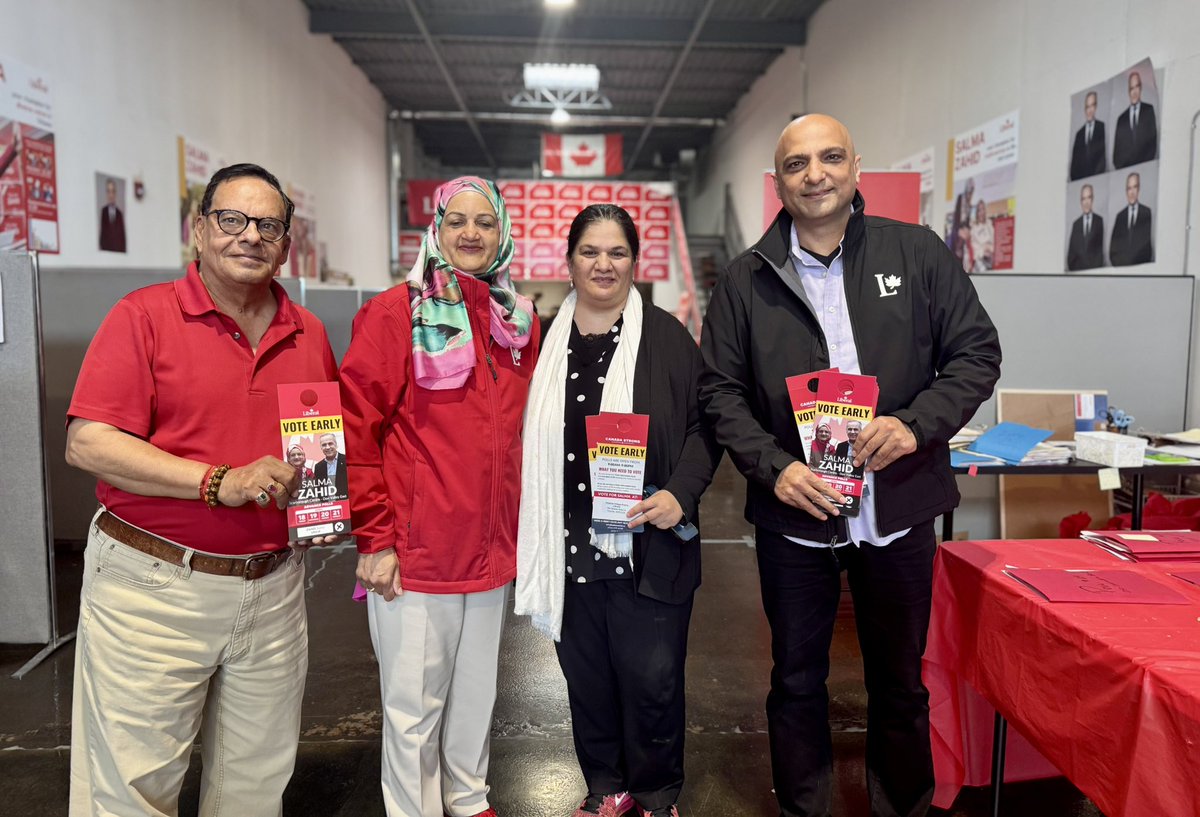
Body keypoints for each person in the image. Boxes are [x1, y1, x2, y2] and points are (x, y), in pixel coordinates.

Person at [699, 114, 1001, 817]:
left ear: (856, 166)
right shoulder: (746, 280)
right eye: (798, 164)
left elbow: (976, 354)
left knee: (900, 681)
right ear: (777, 183)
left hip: (895, 510)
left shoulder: (918, 253)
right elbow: (719, 392)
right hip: (795, 515)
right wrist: (774, 467)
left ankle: (903, 805)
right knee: (795, 679)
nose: (816, 174)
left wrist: (914, 425)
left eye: (830, 157)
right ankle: (806, 807)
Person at [64, 163, 340, 816]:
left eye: (267, 224)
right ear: (199, 229)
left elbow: (316, 450)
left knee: (253, 789)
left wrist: (322, 505)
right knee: (131, 790)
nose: (250, 236)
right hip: (155, 588)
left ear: (285, 240)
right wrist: (221, 481)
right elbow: (89, 442)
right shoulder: (144, 317)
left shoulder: (310, 333)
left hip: (273, 591)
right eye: (232, 220)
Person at [341, 176, 539, 817]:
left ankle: (469, 796)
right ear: (436, 228)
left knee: (478, 692)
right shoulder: (396, 313)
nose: (471, 234)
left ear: (502, 231)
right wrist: (374, 538)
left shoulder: (516, 323)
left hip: (491, 551)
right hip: (416, 552)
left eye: (485, 222)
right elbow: (355, 428)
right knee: (413, 705)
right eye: (457, 221)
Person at [515, 204, 721, 817]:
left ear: (635, 261)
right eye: (590, 252)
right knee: (588, 683)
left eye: (617, 253)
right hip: (569, 546)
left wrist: (679, 494)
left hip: (646, 541)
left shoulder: (667, 338)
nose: (603, 264)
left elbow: (706, 427)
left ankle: (657, 795)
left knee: (652, 683)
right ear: (569, 260)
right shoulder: (541, 342)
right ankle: (606, 787)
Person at [1112, 70, 1157, 169]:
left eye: (1137, 86)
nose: (1134, 91)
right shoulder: (1121, 119)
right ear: (1128, 91)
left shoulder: (1149, 110)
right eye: (1132, 88)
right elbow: (1116, 156)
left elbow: (1152, 145)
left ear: (1140, 88)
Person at [1109, 171, 1153, 266]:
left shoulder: (1146, 212)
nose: (1132, 192)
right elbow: (1113, 249)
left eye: (1135, 187)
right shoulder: (1120, 216)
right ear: (1126, 191)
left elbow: (1147, 248)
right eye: (1129, 188)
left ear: (1139, 189)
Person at [1069, 90, 1106, 181]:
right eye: (1087, 107)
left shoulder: (1102, 128)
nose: (1089, 110)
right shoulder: (1079, 134)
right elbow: (1074, 165)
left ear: (1096, 106)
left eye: (1092, 106)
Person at [1067, 183, 1105, 271]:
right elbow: (1071, 255)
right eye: (1083, 199)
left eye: (1089, 197)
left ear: (1093, 199)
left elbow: (1099, 254)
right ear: (1080, 201)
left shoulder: (1099, 221)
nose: (1086, 202)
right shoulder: (1075, 224)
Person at [99, 177, 127, 253]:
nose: (111, 195)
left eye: (113, 191)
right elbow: (102, 235)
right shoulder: (103, 211)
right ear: (107, 193)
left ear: (115, 193)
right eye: (109, 191)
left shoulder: (119, 214)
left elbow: (123, 238)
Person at [969, 199, 993, 273]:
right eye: (979, 210)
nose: (981, 212)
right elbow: (973, 250)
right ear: (977, 213)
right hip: (980, 262)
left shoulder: (989, 224)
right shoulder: (973, 229)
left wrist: (990, 250)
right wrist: (983, 252)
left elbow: (994, 241)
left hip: (992, 258)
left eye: (983, 209)